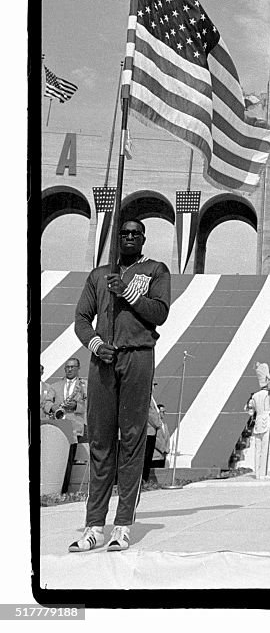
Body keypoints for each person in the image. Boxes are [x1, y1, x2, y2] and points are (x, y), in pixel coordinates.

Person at [69, 219, 170, 553]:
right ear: (117, 238)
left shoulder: (156, 270)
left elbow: (159, 313)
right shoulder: (98, 275)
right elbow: (82, 319)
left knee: (131, 440)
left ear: (143, 238)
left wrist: (126, 292)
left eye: (135, 234)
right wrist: (96, 344)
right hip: (104, 359)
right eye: (123, 233)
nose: (128, 237)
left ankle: (123, 524)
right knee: (100, 441)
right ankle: (94, 525)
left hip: (137, 356)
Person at [49, 357, 88, 494]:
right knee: (57, 459)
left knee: (70, 460)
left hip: (74, 428)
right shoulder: (54, 386)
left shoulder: (85, 386)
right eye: (67, 367)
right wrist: (54, 408)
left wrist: (76, 405)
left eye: (72, 367)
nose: (69, 369)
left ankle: (65, 491)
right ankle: (55, 490)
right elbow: (46, 403)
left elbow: (90, 405)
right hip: (59, 427)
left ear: (78, 368)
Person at [246, 363, 270, 479]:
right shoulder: (269, 394)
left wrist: (253, 412)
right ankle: (263, 473)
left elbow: (250, 408)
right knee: (264, 447)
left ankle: (257, 473)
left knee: (257, 448)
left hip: (258, 419)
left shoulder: (255, 395)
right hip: (266, 418)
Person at [142, 382, 161, 487]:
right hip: (149, 431)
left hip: (152, 431)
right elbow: (150, 414)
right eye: (153, 385)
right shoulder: (147, 398)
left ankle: (145, 478)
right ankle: (143, 479)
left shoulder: (151, 398)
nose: (154, 388)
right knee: (146, 456)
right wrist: (158, 424)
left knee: (149, 457)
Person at [152, 404, 171, 471]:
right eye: (162, 412)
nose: (164, 413)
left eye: (164, 412)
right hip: (155, 456)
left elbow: (167, 438)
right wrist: (163, 449)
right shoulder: (155, 424)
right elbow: (155, 439)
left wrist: (168, 448)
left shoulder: (164, 425)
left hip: (163, 457)